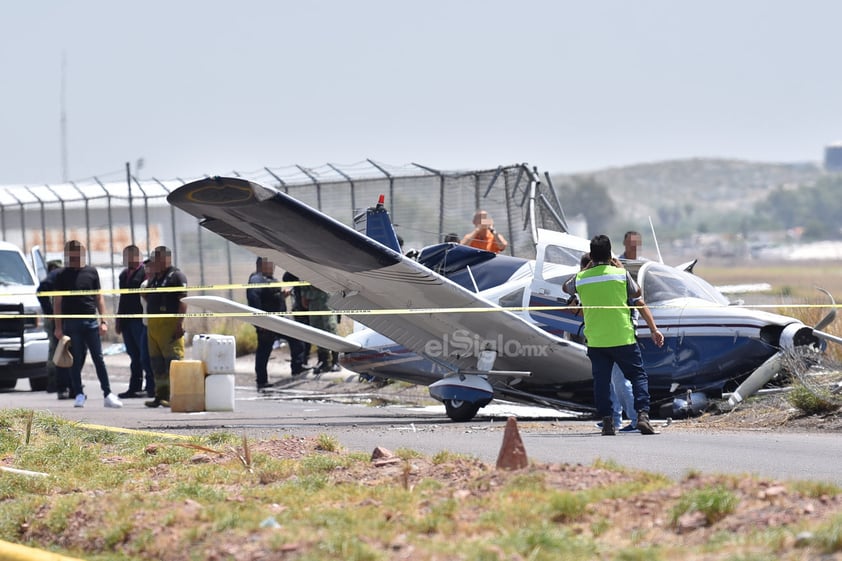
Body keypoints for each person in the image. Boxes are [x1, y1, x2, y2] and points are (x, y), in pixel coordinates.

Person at [564, 234, 664, 436]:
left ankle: (608, 421)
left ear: (591, 256)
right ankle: (643, 415)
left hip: (597, 340)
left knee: (601, 382)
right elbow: (636, 294)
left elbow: (566, 287)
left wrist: (586, 269)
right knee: (637, 376)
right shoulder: (620, 274)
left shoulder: (582, 278)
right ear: (610, 254)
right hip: (623, 337)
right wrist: (620, 268)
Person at [52, 240, 123, 409]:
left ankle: (107, 394)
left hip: (90, 322)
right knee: (75, 360)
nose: (74, 260)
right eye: (71, 257)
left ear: (82, 255)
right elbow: (57, 302)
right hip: (72, 323)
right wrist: (58, 327)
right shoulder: (62, 275)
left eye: (77, 257)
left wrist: (103, 321)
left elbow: (99, 297)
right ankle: (78, 393)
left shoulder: (91, 272)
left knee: (98, 358)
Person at [144, 246, 188, 408]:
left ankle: (175, 395)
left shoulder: (176, 276)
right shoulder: (154, 278)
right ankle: (160, 395)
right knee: (157, 363)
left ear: (165, 259)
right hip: (154, 326)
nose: (153, 263)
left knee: (173, 362)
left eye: (156, 259)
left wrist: (180, 323)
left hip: (170, 325)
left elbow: (183, 301)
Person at [116, 245, 154, 398]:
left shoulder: (144, 272)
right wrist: (119, 319)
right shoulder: (123, 275)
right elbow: (122, 298)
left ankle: (151, 386)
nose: (127, 259)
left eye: (129, 256)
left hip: (139, 319)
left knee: (144, 355)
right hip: (126, 319)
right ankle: (135, 386)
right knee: (133, 355)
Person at [247, 257, 285, 390]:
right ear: (262, 265)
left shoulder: (267, 279)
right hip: (266, 323)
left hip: (277, 322)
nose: (273, 266)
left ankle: (298, 369)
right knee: (264, 351)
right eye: (270, 264)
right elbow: (254, 300)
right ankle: (261, 380)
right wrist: (260, 321)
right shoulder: (256, 280)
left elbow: (271, 296)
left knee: (297, 341)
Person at [38, 259, 72, 399]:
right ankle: (59, 385)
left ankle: (69, 385)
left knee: (63, 352)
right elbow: (41, 290)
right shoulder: (58, 275)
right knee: (59, 352)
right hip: (59, 321)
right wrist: (50, 313)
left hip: (67, 318)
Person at [301, 284, 340, 374]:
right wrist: (303, 295)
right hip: (313, 299)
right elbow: (302, 279)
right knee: (317, 330)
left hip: (327, 298)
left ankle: (336, 361)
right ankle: (323, 361)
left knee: (330, 328)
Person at [282, 272, 312, 376]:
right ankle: (300, 363)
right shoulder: (297, 272)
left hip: (310, 307)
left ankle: (304, 361)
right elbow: (286, 278)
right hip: (300, 308)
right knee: (300, 337)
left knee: (308, 337)